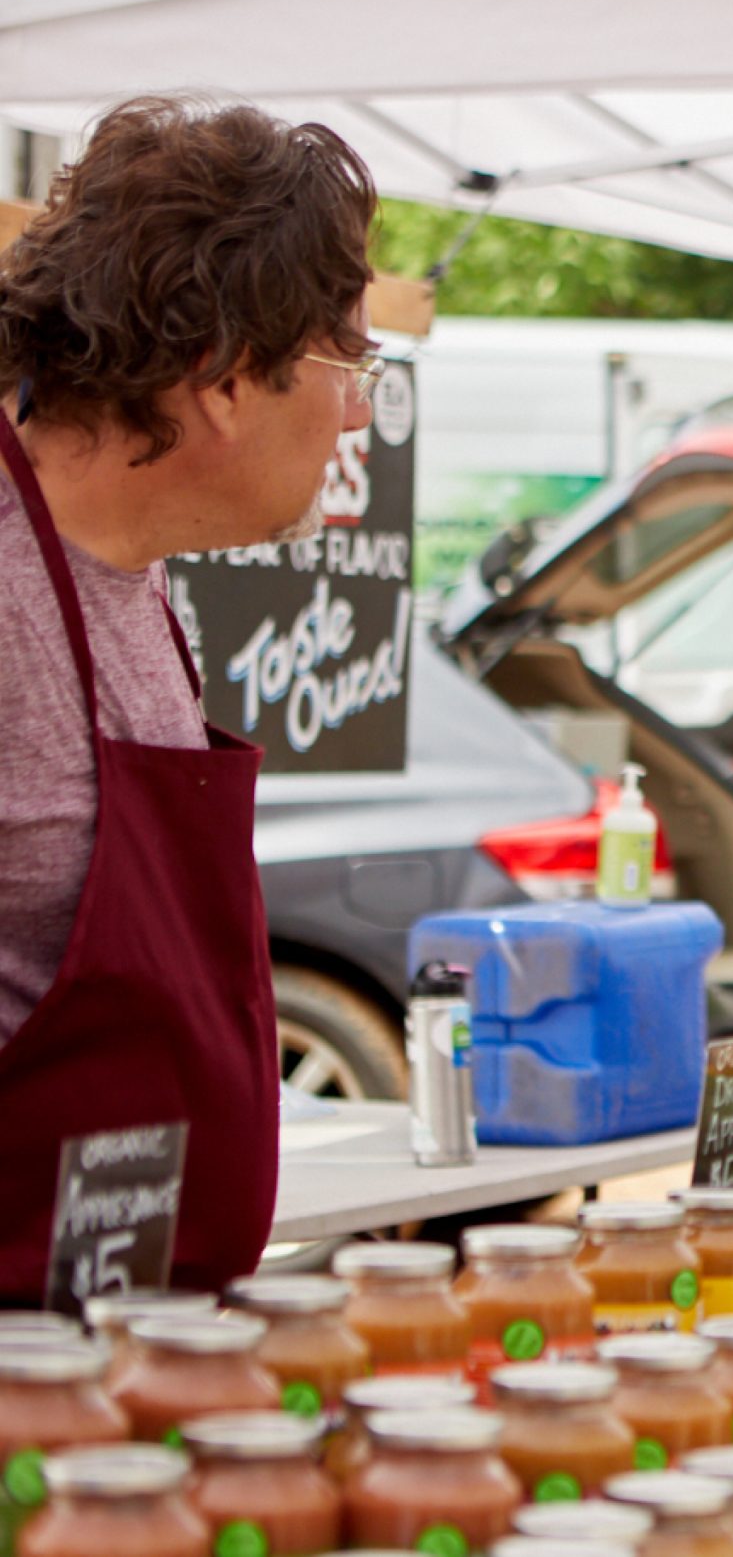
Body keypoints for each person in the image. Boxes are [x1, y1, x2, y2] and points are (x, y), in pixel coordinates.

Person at [0, 97, 379, 1301]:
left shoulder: (145, 581)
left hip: (138, 1345)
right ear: (223, 375)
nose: (360, 410)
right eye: (347, 364)